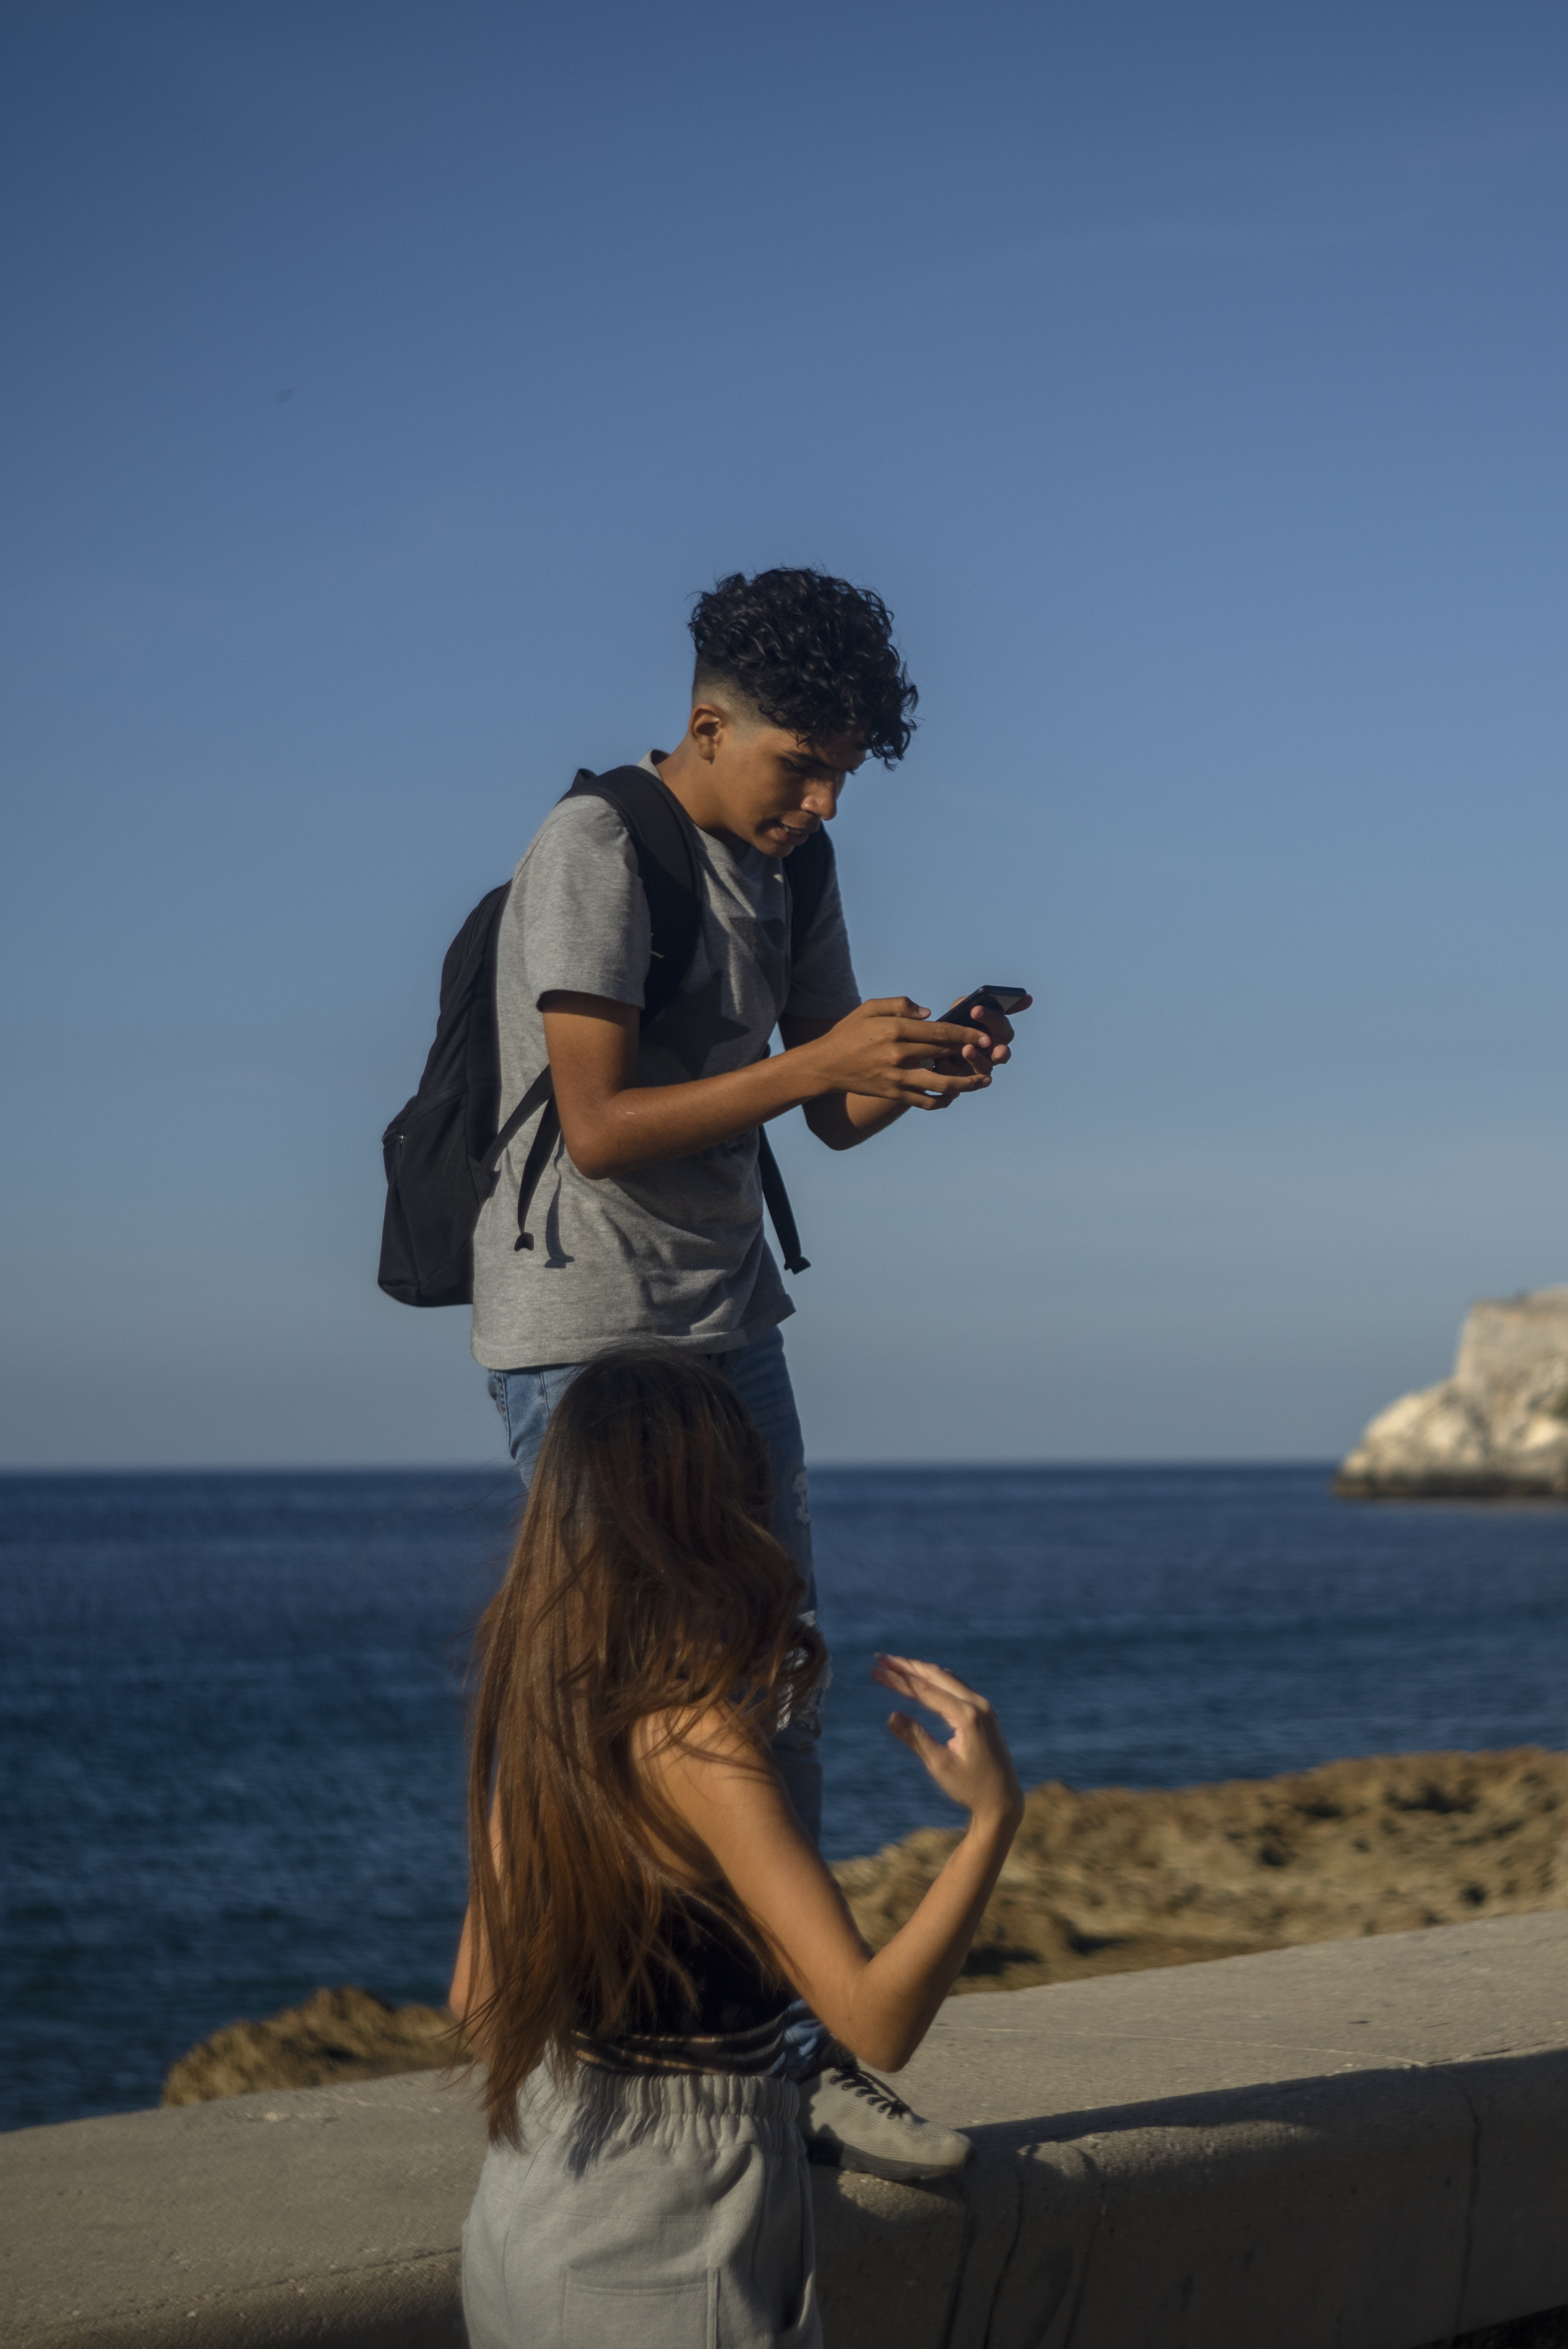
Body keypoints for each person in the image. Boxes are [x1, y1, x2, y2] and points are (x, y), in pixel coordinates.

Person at [469, 566, 1020, 2179]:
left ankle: (789, 2047)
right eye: (799, 763)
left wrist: (912, 1075)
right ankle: (579, 2056)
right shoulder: (594, 849)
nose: (821, 799)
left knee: (775, 1675)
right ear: (708, 722)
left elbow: (825, 1113)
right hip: (585, 1338)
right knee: (621, 1703)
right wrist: (818, 1065)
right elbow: (598, 1121)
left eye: (844, 771)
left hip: (732, 1318)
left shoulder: (803, 858)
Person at [451, 1348, 1022, 2349]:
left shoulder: (552, 1703)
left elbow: (477, 2005)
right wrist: (990, 1821)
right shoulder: (698, 1737)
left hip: (526, 2222)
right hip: (664, 2252)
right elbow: (874, 2022)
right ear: (717, 1512)